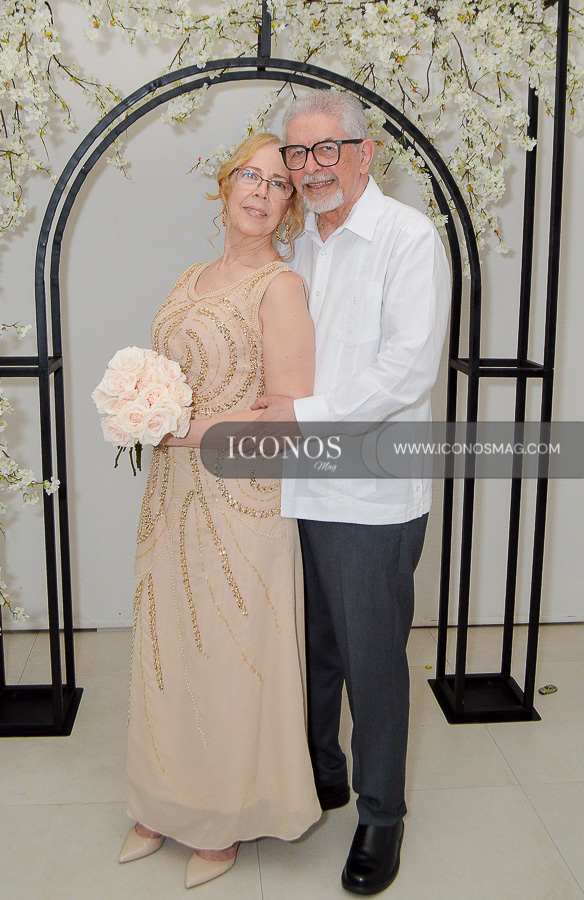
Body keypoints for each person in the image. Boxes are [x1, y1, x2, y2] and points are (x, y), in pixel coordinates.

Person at [252, 91, 451, 895]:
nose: (310, 168)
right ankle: (322, 774)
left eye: (326, 149)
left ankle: (381, 816)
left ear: (366, 154)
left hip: (371, 494)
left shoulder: (408, 237)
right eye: (298, 154)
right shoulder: (298, 245)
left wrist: (304, 416)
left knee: (372, 664)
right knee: (312, 651)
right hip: (298, 487)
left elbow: (409, 368)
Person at [118, 133, 321, 890]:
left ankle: (223, 817)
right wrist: (138, 405)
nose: (261, 191)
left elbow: (288, 417)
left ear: (290, 207)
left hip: (242, 502)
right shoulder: (189, 277)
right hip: (170, 497)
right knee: (167, 648)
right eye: (250, 176)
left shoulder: (281, 288)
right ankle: (160, 801)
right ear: (225, 185)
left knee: (229, 657)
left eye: (278, 183)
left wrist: (176, 428)